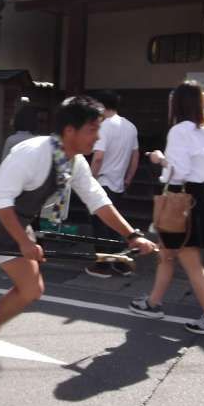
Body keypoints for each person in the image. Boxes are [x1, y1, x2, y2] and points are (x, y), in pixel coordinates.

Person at [0, 96, 157, 372]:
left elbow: (98, 201)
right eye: (92, 130)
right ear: (69, 131)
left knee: (31, 289)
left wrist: (132, 235)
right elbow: (2, 200)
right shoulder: (32, 153)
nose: (97, 137)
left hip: (15, 224)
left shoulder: (73, 162)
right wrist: (25, 241)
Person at [129, 82, 204, 336]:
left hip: (179, 199)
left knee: (189, 260)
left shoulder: (180, 131)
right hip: (200, 196)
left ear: (177, 105)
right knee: (166, 253)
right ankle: (153, 302)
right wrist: (193, 92)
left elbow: (177, 172)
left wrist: (159, 158)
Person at [86, 91, 139, 278]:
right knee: (116, 225)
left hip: (102, 181)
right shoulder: (130, 126)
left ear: (100, 106)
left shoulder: (104, 127)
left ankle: (102, 266)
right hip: (119, 182)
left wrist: (88, 179)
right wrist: (128, 178)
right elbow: (135, 156)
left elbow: (98, 157)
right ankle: (122, 263)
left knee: (101, 226)